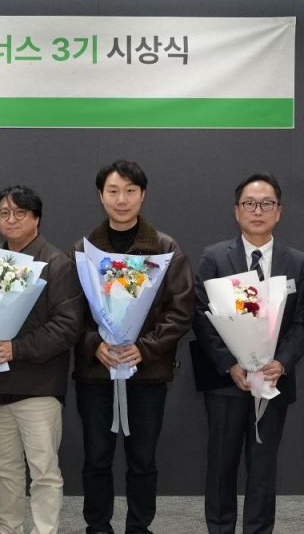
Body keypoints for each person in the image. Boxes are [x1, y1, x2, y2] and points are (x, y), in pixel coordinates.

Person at [72, 160, 194, 534]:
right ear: (100, 196)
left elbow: (182, 309)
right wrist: (94, 344)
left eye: (129, 191)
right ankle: (98, 527)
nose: (121, 199)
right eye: (113, 191)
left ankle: (139, 527)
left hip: (147, 374)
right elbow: (70, 313)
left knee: (143, 460)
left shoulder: (165, 248)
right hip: (96, 374)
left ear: (142, 195)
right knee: (96, 458)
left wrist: (146, 347)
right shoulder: (84, 250)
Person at [191, 173, 304, 534]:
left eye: (266, 204)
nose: (258, 211)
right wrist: (229, 364)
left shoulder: (298, 262)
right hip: (226, 381)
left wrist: (282, 362)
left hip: (273, 381)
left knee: (263, 466)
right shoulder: (214, 257)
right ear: (237, 210)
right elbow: (200, 315)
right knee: (220, 465)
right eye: (249, 204)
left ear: (279, 211)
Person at [0, 185, 83, 534]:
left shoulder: (57, 263)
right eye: (4, 213)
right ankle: (8, 529)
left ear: (36, 218)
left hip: (39, 387)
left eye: (20, 212)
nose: (12, 219)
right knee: (3, 469)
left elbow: (67, 327)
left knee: (43, 471)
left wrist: (16, 349)